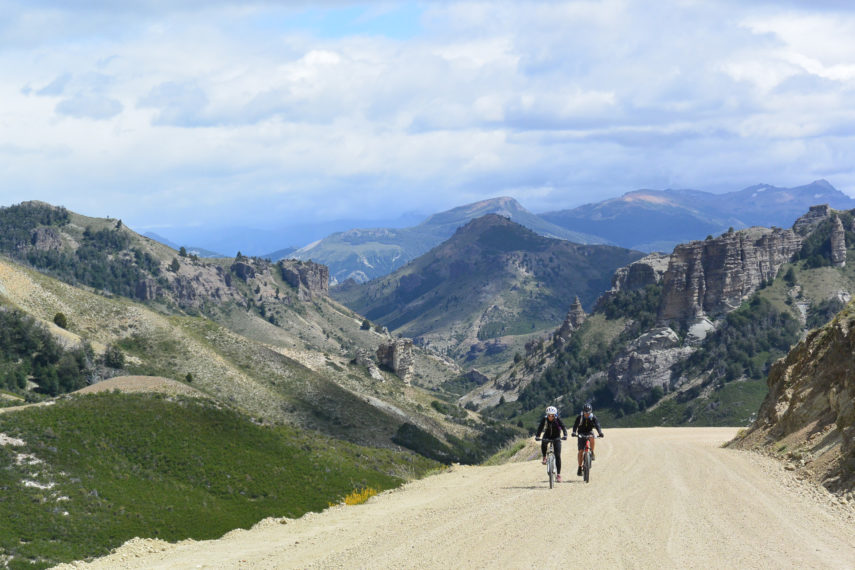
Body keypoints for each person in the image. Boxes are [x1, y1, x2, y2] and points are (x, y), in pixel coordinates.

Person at [535, 406, 568, 482]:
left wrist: (565, 435)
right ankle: (544, 457)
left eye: (552, 415)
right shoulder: (545, 419)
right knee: (543, 442)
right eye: (549, 415)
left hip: (556, 436)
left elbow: (563, 426)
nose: (550, 416)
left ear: (555, 415)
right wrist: (537, 436)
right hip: (547, 435)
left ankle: (558, 475)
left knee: (558, 456)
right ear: (547, 414)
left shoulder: (557, 419)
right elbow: (540, 427)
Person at [572, 402, 604, 476]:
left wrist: (600, 433)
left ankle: (592, 452)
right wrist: (574, 432)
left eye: (588, 412)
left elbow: (597, 425)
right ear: (583, 411)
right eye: (585, 412)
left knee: (592, 438)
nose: (587, 414)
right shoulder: (579, 417)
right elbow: (575, 426)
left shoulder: (593, 417)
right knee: (580, 451)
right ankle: (579, 467)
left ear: (591, 412)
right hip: (581, 432)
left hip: (589, 431)